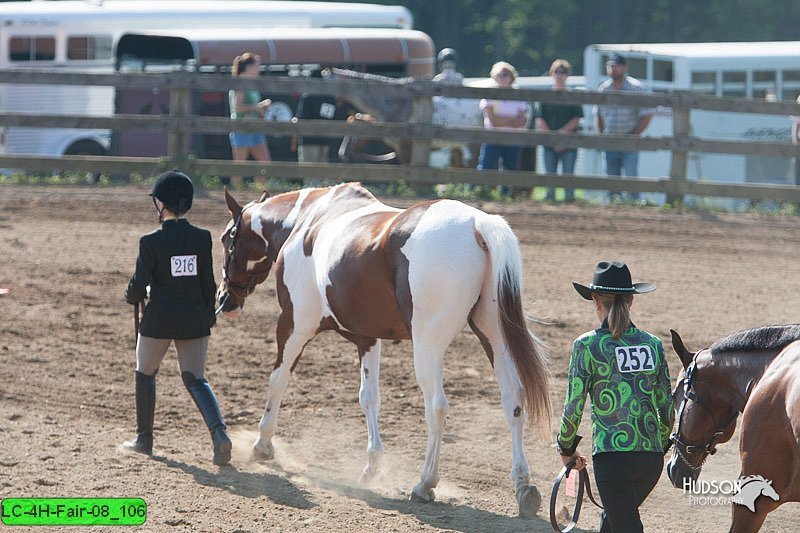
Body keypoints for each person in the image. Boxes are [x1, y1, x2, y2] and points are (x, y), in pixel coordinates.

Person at [123, 170, 232, 466]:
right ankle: (219, 435)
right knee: (196, 379)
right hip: (193, 319)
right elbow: (207, 283)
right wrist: (209, 313)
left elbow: (139, 281)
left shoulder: (150, 242)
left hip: (158, 321)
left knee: (145, 372)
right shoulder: (201, 238)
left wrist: (131, 295)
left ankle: (144, 439)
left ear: (161, 204)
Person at [556, 260, 673, 533]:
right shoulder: (653, 345)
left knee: (626, 526)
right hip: (651, 460)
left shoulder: (587, 346)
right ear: (631, 301)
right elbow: (667, 407)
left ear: (596, 301)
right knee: (613, 523)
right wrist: (661, 443)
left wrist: (566, 448)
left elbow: (573, 406)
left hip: (612, 459)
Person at [594, 54, 653, 202]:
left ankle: (634, 205)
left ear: (624, 67)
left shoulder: (636, 88)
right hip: (610, 138)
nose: (612, 69)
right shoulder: (604, 88)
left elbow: (647, 114)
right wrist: (601, 136)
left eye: (615, 66)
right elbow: (598, 114)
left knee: (631, 177)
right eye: (610, 66)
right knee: (611, 178)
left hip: (629, 139)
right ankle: (613, 206)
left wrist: (635, 134)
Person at [292, 69, 355, 185]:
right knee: (322, 175)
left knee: (310, 176)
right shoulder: (330, 98)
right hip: (325, 141)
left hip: (308, 141)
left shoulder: (308, 97)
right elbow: (333, 118)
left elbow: (301, 119)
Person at [535, 59, 583, 203]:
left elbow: (576, 119)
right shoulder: (545, 96)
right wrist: (554, 137)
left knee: (568, 175)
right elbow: (540, 119)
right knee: (550, 175)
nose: (559, 75)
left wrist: (561, 135)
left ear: (567, 75)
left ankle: (569, 199)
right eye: (556, 71)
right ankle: (550, 198)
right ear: (551, 74)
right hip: (549, 143)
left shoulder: (573, 95)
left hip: (569, 142)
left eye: (563, 72)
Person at [477, 61, 528, 194]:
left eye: (506, 75)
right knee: (486, 166)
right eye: (499, 75)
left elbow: (521, 120)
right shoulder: (490, 94)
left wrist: (502, 120)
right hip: (492, 137)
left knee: (510, 168)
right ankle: (481, 191)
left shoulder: (518, 95)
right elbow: (493, 120)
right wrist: (511, 120)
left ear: (511, 77)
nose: (502, 78)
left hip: (512, 138)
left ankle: (506, 193)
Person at [229, 52, 272, 188]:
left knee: (265, 163)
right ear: (248, 67)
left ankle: (260, 190)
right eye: (257, 66)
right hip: (242, 128)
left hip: (255, 128)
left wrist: (262, 108)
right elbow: (238, 107)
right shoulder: (241, 83)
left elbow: (252, 107)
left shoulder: (252, 84)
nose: (259, 69)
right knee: (240, 165)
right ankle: (234, 193)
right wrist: (257, 106)